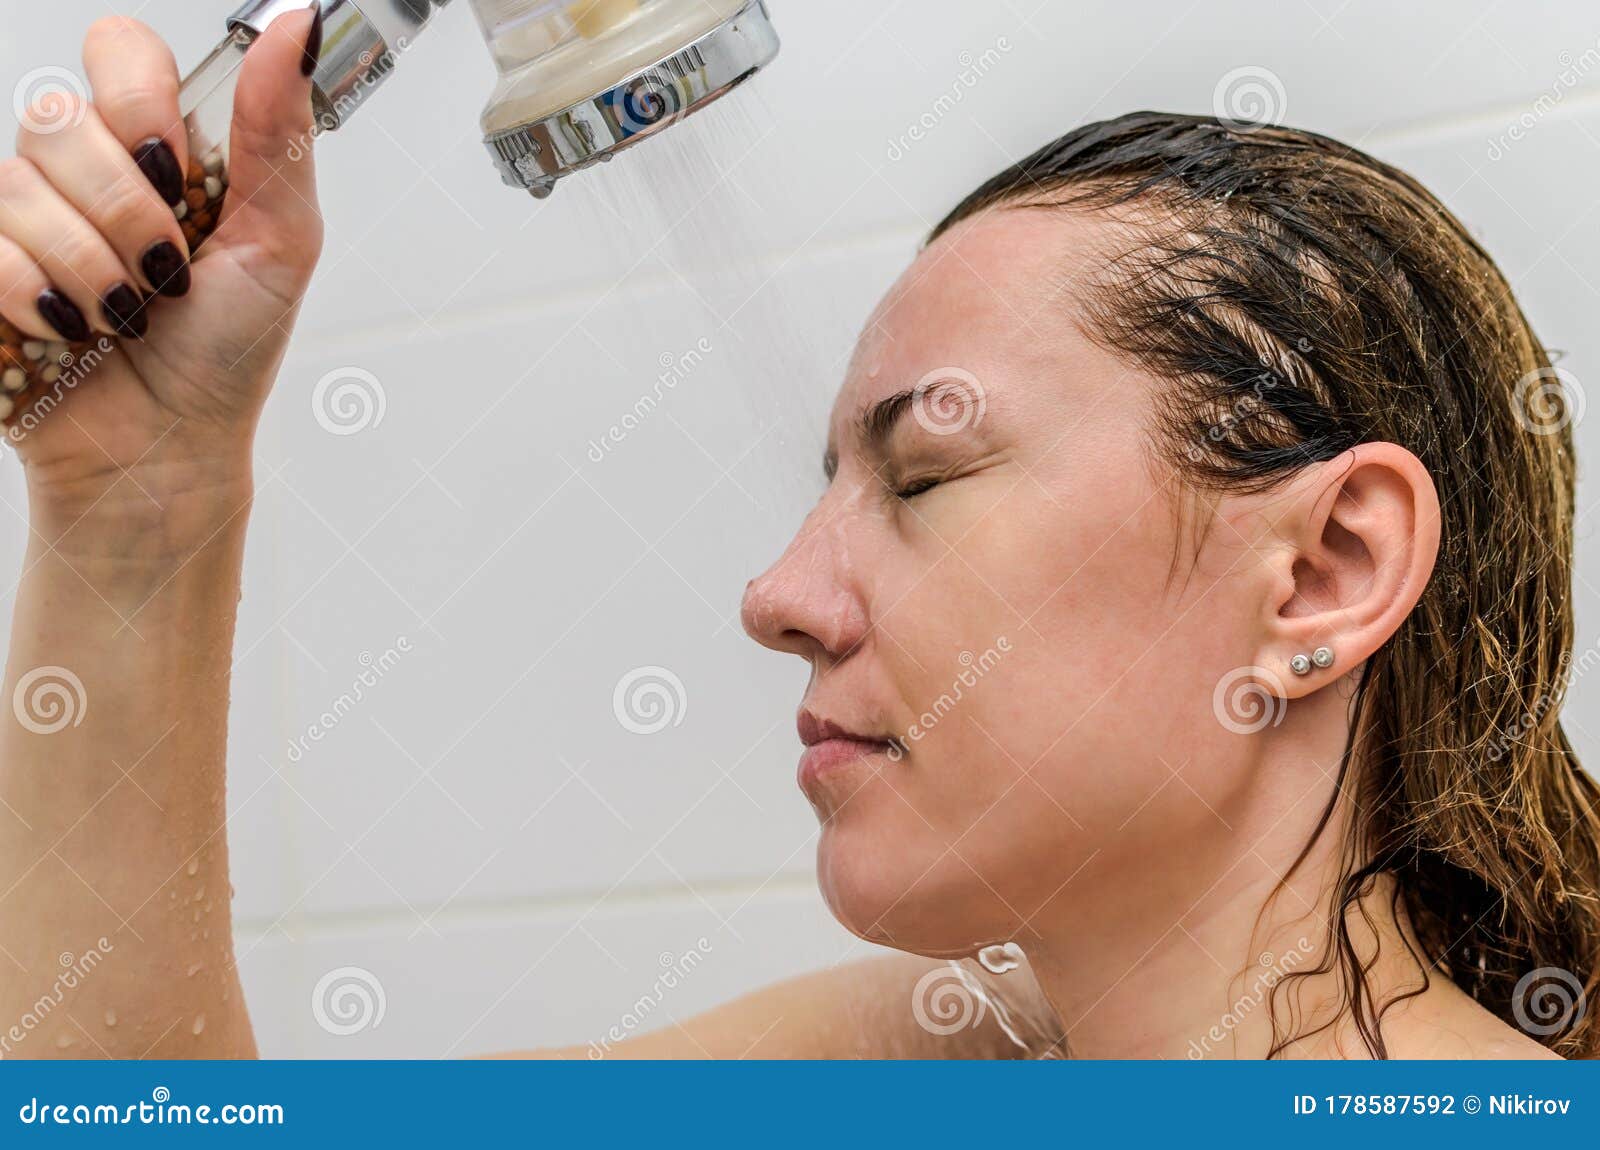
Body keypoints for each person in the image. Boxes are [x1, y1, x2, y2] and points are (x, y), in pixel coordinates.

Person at [0, 12, 1593, 1060]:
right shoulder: (932, 1059)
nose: (774, 596)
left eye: (925, 479)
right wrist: (140, 515)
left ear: (1324, 570)